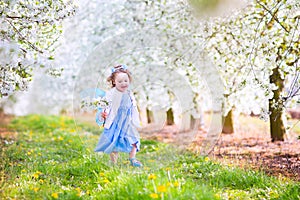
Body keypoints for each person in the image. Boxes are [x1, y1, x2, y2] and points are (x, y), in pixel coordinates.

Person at [94, 64, 143, 167]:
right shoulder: (111, 93)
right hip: (115, 122)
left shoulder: (130, 94)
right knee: (113, 144)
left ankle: (132, 158)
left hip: (127, 122)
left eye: (126, 81)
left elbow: (133, 107)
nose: (123, 83)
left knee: (134, 140)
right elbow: (105, 104)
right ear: (114, 82)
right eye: (120, 81)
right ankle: (114, 163)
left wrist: (135, 120)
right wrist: (104, 113)